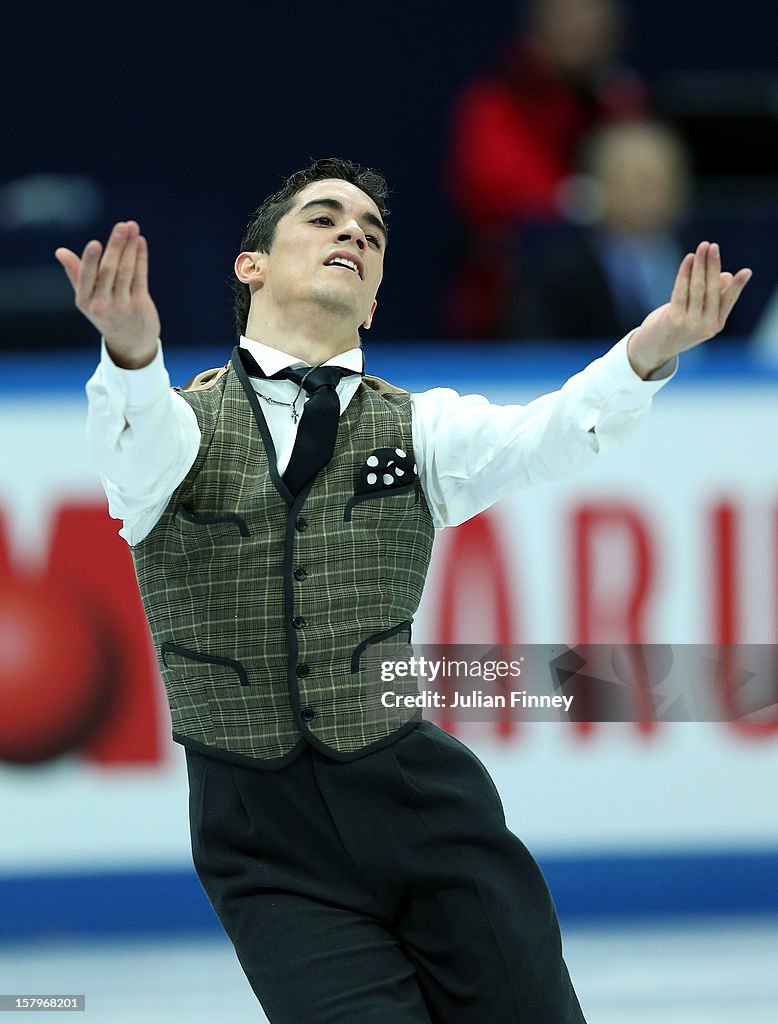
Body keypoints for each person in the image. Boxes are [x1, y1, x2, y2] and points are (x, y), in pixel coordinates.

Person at [55, 156, 751, 1024]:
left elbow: (550, 432)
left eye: (372, 233)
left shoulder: (421, 426)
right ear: (252, 264)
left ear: (376, 298)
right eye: (323, 218)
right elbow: (131, 436)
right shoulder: (174, 433)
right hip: (265, 849)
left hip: (424, 813)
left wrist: (648, 354)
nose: (352, 232)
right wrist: (128, 351)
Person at [443, 0, 647, 338]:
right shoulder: (493, 103)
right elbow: (493, 189)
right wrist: (589, 198)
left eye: (590, 19)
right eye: (567, 18)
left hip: (614, 303)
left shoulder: (621, 101)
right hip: (510, 305)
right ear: (537, 28)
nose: (579, 30)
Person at [506, 119, 692, 340]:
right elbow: (537, 355)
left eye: (665, 180)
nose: (654, 195)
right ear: (603, 186)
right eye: (642, 182)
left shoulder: (706, 261)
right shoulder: (559, 275)